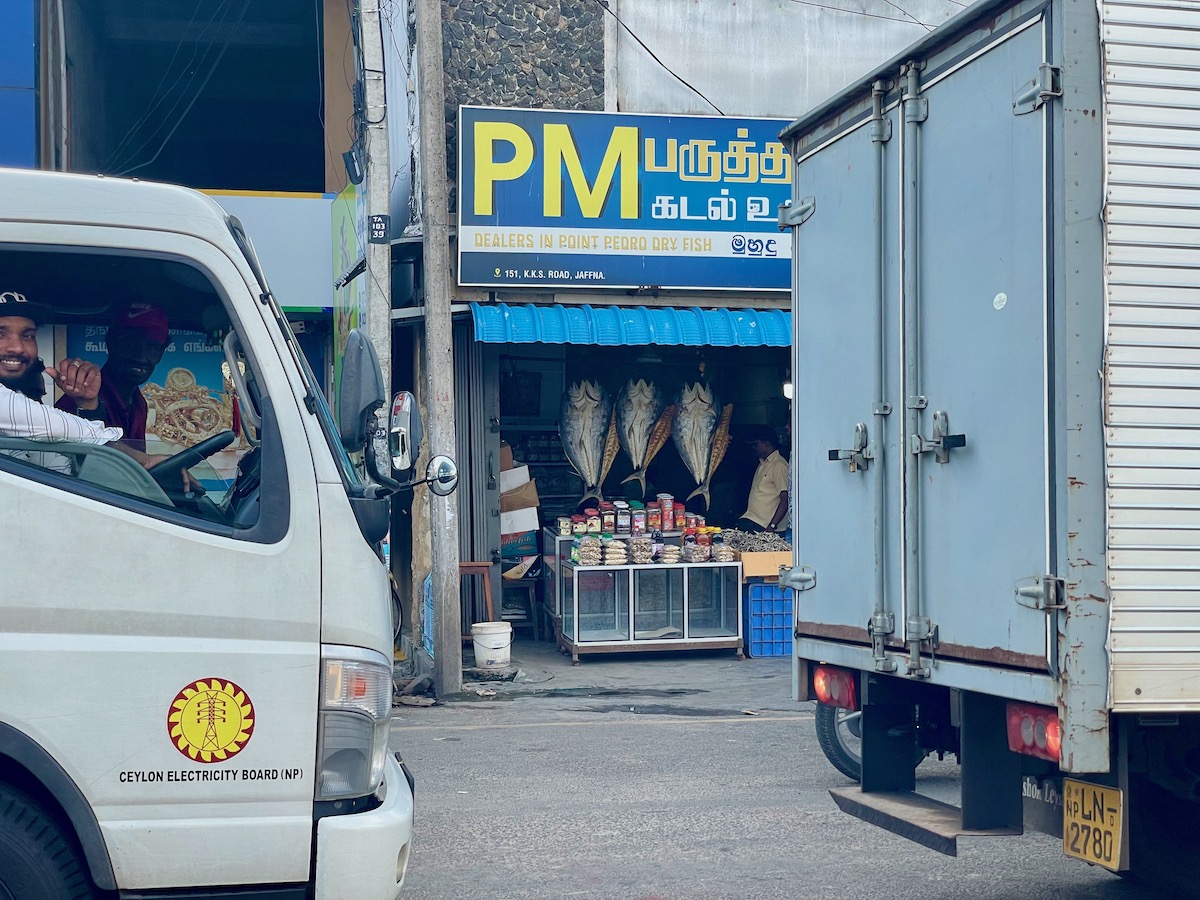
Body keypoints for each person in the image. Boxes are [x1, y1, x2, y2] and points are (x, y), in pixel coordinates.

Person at [56, 302, 170, 443]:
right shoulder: (81, 399)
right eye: (130, 343)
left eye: (152, 346)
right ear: (110, 343)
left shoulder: (138, 403)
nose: (140, 357)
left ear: (162, 352)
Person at [735, 426, 789, 534]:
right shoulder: (762, 463)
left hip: (766, 527)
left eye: (756, 444)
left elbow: (785, 499)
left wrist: (772, 526)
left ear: (766, 443)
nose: (753, 448)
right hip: (753, 521)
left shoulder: (779, 465)